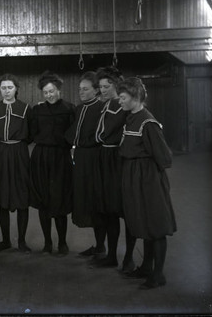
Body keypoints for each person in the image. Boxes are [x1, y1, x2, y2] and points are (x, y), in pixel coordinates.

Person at [118, 77, 177, 289]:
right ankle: (146, 267)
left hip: (149, 180)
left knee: (156, 225)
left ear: (135, 97)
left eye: (123, 98)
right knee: (143, 222)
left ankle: (158, 274)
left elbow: (164, 157)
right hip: (134, 177)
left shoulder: (148, 122)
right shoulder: (131, 117)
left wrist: (147, 173)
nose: (120, 102)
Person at [93, 66, 135, 271]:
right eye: (100, 87)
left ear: (117, 85)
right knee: (109, 210)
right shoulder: (105, 105)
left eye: (107, 86)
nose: (103, 90)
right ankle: (111, 255)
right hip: (104, 157)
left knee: (126, 210)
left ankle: (129, 257)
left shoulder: (123, 106)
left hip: (118, 158)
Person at [29, 71, 75, 255]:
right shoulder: (38, 110)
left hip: (61, 158)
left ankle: (62, 243)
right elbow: (32, 133)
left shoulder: (70, 109)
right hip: (41, 157)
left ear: (58, 90)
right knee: (44, 201)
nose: (49, 95)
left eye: (52, 91)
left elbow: (72, 135)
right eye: (46, 92)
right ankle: (47, 243)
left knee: (60, 200)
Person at [0, 74, 32, 253]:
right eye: (3, 88)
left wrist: (17, 145)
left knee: (22, 196)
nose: (7, 91)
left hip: (19, 152)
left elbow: (31, 134)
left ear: (16, 89)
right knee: (1, 196)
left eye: (10, 87)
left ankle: (21, 240)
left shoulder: (26, 108)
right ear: (0, 90)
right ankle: (6, 240)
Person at [65, 71, 105, 257]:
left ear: (96, 90)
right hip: (80, 158)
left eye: (85, 89)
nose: (81, 92)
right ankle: (98, 245)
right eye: (80, 89)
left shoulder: (101, 108)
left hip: (94, 159)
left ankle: (102, 247)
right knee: (86, 201)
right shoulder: (79, 109)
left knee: (96, 202)